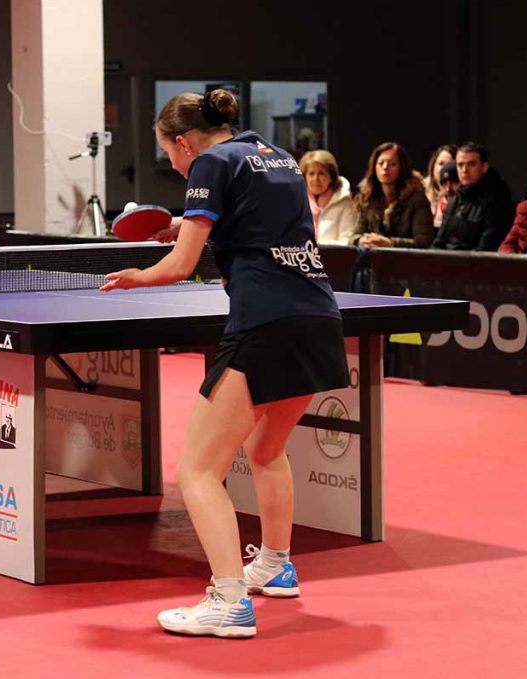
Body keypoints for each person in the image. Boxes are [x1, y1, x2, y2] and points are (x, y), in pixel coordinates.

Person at [102, 89, 349, 639]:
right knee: (266, 450)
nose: (173, 164)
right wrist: (185, 222)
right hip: (318, 319)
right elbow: (260, 224)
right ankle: (276, 565)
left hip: (265, 323)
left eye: (169, 152)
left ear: (184, 142)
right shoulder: (277, 156)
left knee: (197, 471)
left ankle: (229, 601)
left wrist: (135, 277)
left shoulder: (209, 163)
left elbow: (180, 265)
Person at [351, 142, 434, 249]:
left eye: (392, 164)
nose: (385, 167)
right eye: (381, 163)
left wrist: (391, 243)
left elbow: (423, 242)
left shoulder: (417, 199)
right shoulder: (369, 196)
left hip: (405, 258)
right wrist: (361, 240)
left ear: (401, 168)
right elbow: (354, 236)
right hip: (374, 257)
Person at [432, 142, 513, 251]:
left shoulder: (496, 200)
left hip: (474, 260)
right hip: (447, 259)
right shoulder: (455, 199)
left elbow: (485, 248)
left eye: (471, 164)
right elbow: (439, 241)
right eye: (460, 165)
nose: (465, 170)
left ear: (484, 167)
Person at [299, 149, 357, 245]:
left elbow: (347, 240)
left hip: (333, 254)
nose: (315, 179)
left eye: (321, 173)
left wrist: (318, 246)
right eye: (311, 173)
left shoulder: (345, 202)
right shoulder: (298, 201)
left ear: (331, 177)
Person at [424, 144, 457, 227]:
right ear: (433, 166)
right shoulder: (421, 192)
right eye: (441, 163)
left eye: (449, 164)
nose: (444, 168)